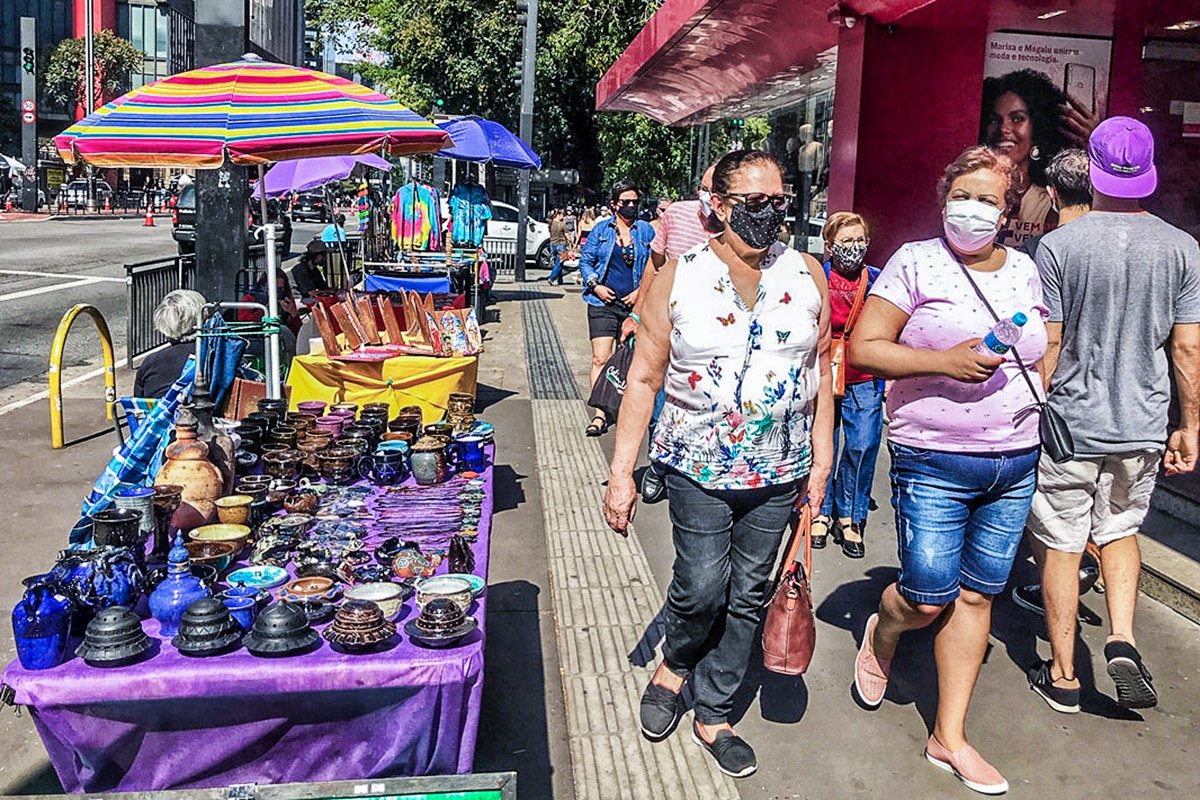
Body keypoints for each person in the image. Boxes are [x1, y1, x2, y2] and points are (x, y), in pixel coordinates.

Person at [604, 149, 832, 779]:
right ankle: (676, 661)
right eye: (755, 203)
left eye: (779, 202)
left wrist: (823, 457)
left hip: (779, 470)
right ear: (722, 207)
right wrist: (622, 470)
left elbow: (822, 373)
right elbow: (645, 378)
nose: (770, 214)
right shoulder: (680, 276)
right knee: (702, 583)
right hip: (696, 465)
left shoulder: (807, 272)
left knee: (748, 592)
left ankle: (715, 709)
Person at [849, 145, 1048, 795]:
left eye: (990, 199)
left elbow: (1042, 343)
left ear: (1008, 209)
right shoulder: (915, 263)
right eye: (965, 195)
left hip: (1014, 463)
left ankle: (950, 737)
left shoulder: (1024, 270)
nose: (975, 208)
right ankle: (885, 626)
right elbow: (864, 348)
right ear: (944, 201)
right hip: (933, 459)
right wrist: (943, 363)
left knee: (976, 595)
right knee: (928, 594)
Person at [1024, 117, 1200, 715]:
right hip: (1144, 422)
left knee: (1064, 543)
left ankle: (1065, 673)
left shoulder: (1058, 246)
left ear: (1093, 174)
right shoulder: (1182, 247)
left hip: (1071, 424)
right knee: (1122, 529)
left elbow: (1049, 343)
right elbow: (1187, 348)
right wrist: (1189, 424)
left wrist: (1034, 411)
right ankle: (1122, 636)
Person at [1010, 148, 1103, 615]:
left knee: (1050, 509)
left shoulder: (1040, 253)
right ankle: (1086, 561)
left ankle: (1058, 586)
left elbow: (1041, 336)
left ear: (1050, 194)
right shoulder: (1124, 247)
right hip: (1115, 402)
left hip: (1053, 399)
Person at [621, 164, 718, 502]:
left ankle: (686, 464)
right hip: (668, 324)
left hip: (712, 336)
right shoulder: (676, 215)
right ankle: (658, 465)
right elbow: (654, 265)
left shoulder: (735, 229)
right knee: (657, 396)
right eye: (706, 188)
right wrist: (636, 312)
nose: (710, 196)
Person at [812, 211, 883, 558]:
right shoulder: (817, 278)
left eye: (859, 241)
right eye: (846, 242)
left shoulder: (878, 281)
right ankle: (821, 510)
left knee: (862, 444)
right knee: (824, 440)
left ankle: (850, 516)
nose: (854, 248)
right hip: (824, 372)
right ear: (829, 245)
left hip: (864, 376)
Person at [981, 69, 1098, 247]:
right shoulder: (973, 192)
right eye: (994, 120)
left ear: (1038, 127)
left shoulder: (1053, 201)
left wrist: (1098, 145)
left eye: (1017, 119)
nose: (1004, 129)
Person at [578, 180, 655, 437]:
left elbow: (655, 265)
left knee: (629, 361)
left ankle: (623, 408)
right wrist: (595, 285)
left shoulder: (645, 231)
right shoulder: (601, 230)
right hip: (602, 303)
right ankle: (600, 414)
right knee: (601, 357)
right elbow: (586, 261)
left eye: (635, 202)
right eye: (626, 202)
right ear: (614, 204)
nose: (631, 206)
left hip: (634, 305)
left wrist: (640, 293)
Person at [134, 289, 207, 398]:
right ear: (203, 319)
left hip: (158, 413)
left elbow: (139, 404)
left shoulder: (151, 362)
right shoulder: (212, 356)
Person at [547, 209, 570, 285]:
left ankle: (560, 280)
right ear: (558, 215)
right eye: (562, 215)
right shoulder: (562, 224)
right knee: (559, 263)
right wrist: (571, 241)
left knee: (558, 261)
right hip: (561, 245)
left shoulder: (550, 223)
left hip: (553, 244)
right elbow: (566, 234)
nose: (563, 216)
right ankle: (551, 278)